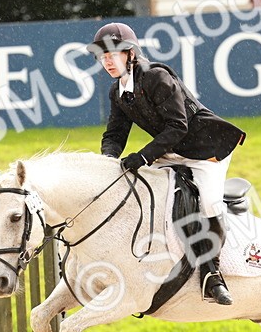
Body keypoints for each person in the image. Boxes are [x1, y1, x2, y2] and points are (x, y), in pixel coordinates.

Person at [87, 22, 247, 306]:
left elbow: (178, 126)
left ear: (130, 54)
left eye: (113, 53)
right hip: (170, 150)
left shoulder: (157, 77)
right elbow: (115, 134)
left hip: (205, 149)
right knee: (146, 193)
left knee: (209, 203)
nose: (107, 61)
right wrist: (106, 162)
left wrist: (144, 156)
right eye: (102, 56)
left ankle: (213, 274)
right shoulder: (117, 92)